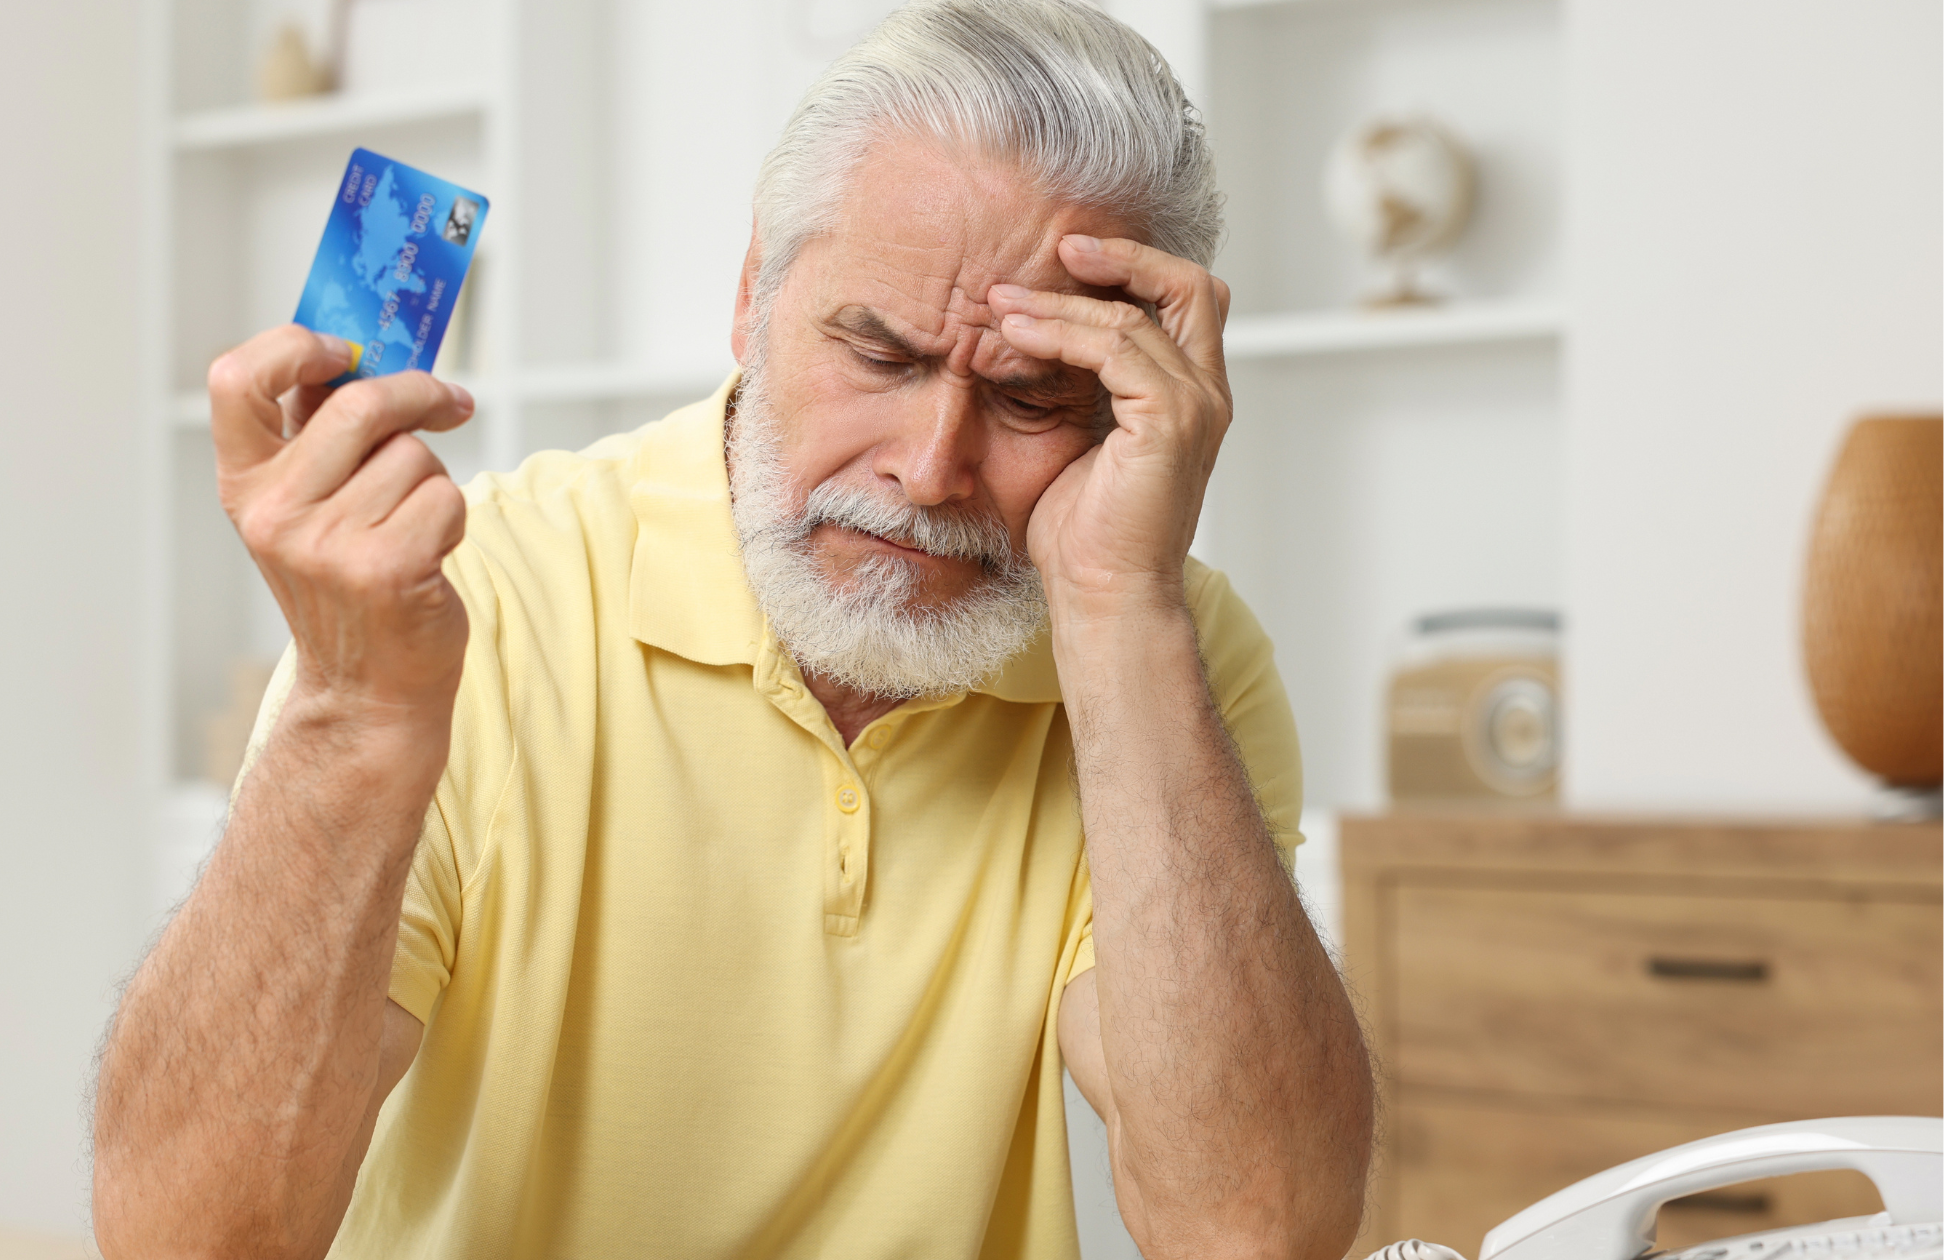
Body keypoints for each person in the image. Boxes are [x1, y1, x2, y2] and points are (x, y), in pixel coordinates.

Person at [91, 2, 1373, 1256]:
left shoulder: (1160, 646)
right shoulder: (472, 590)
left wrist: (1118, 618)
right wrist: (349, 711)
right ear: (755, 288)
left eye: (1032, 395)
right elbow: (183, 1241)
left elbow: (1251, 1230)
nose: (929, 470)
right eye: (877, 354)